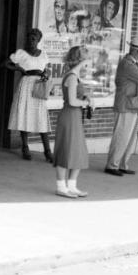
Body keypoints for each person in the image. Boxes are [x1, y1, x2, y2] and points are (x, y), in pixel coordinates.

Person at [104, 35, 138, 176]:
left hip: (132, 104)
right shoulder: (128, 64)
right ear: (137, 51)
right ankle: (112, 165)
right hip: (126, 105)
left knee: (129, 138)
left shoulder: (132, 64)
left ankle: (122, 164)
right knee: (121, 136)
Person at [4, 28, 52, 162]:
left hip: (38, 85)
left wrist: (46, 74)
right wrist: (18, 68)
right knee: (25, 115)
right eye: (30, 38)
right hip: (26, 85)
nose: (31, 41)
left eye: (34, 38)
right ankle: (25, 147)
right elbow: (5, 64)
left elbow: (46, 68)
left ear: (38, 40)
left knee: (41, 117)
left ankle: (47, 151)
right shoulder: (21, 53)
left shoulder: (43, 54)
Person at [53, 46, 93, 198]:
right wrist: (86, 103)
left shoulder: (75, 76)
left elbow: (76, 98)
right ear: (82, 60)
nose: (88, 63)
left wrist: (85, 98)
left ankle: (72, 185)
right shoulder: (71, 77)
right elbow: (72, 101)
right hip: (69, 116)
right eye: (87, 60)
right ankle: (61, 187)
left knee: (77, 150)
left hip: (74, 117)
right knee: (66, 150)